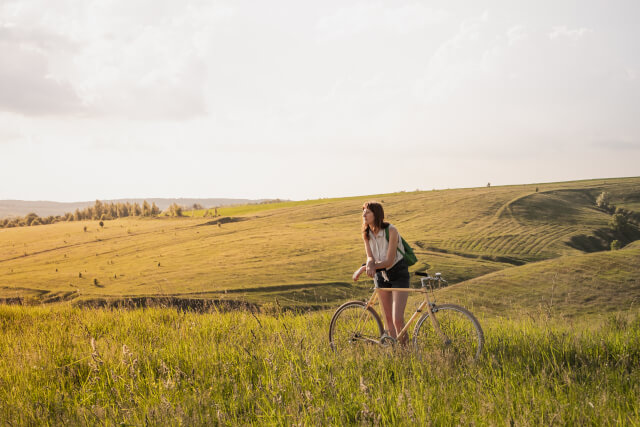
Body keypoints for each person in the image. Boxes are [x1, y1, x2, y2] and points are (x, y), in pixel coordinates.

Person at [352, 201, 411, 344]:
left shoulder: (391, 230)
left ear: (376, 214)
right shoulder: (366, 234)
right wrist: (368, 264)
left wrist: (368, 267)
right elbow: (370, 256)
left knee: (397, 319)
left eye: (368, 212)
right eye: (363, 211)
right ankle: (395, 351)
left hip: (398, 272)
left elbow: (389, 261)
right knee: (388, 320)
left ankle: (406, 353)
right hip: (380, 275)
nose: (364, 214)